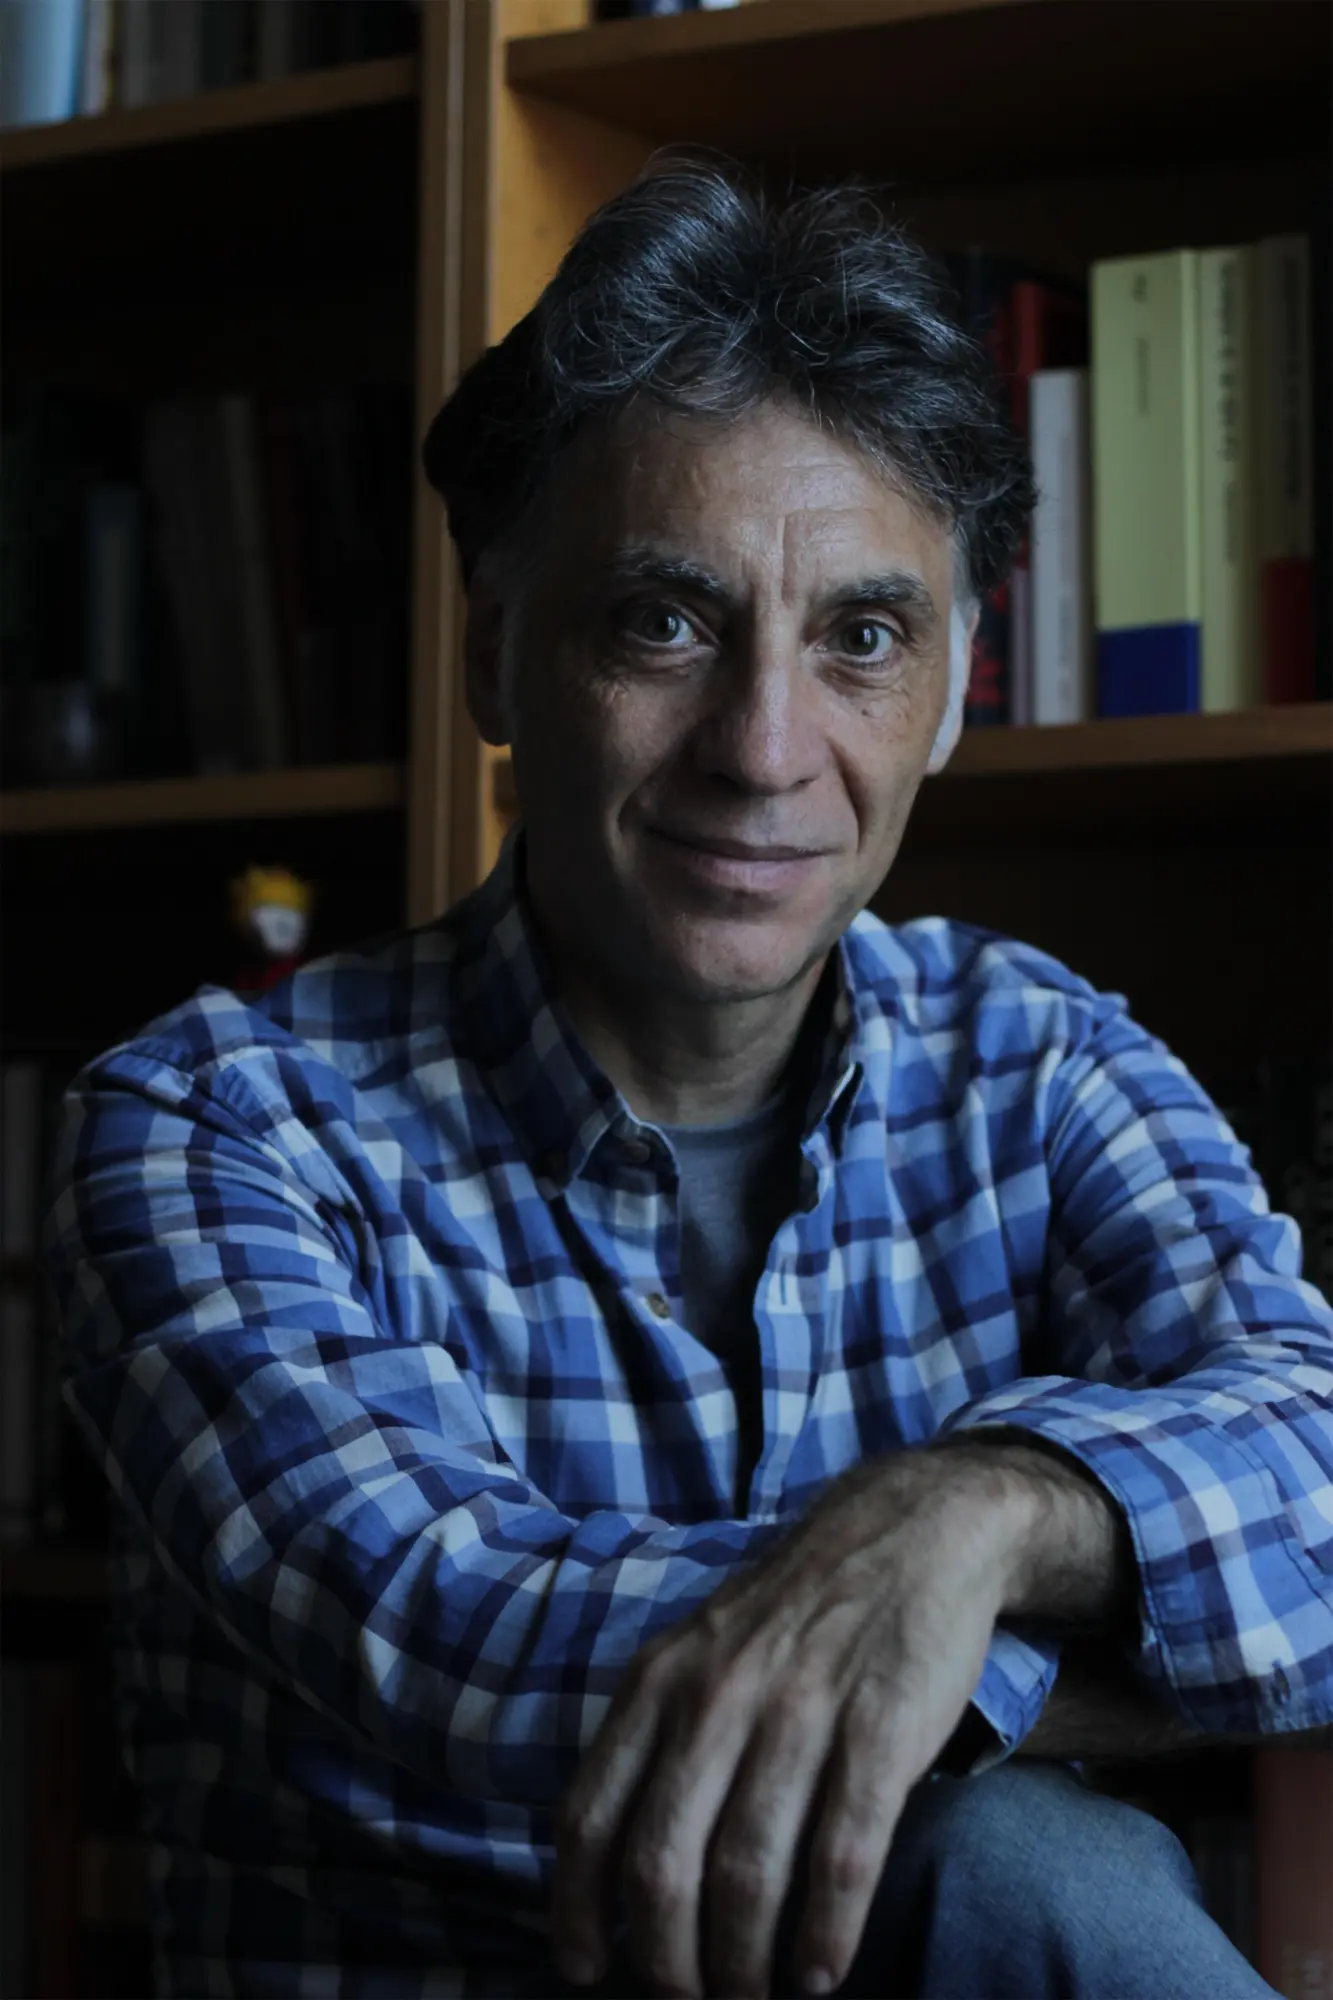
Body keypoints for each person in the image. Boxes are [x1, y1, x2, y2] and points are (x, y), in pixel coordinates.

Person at [46, 161, 1333, 2000]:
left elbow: (1319, 1444)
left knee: (1026, 1868)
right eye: (665, 621)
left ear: (955, 692)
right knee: (1032, 1858)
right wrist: (1107, 1647)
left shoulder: (1037, 1058)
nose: (764, 748)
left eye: (862, 640)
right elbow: (460, 1635)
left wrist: (984, 1516)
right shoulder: (214, 1130)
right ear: (494, 650)